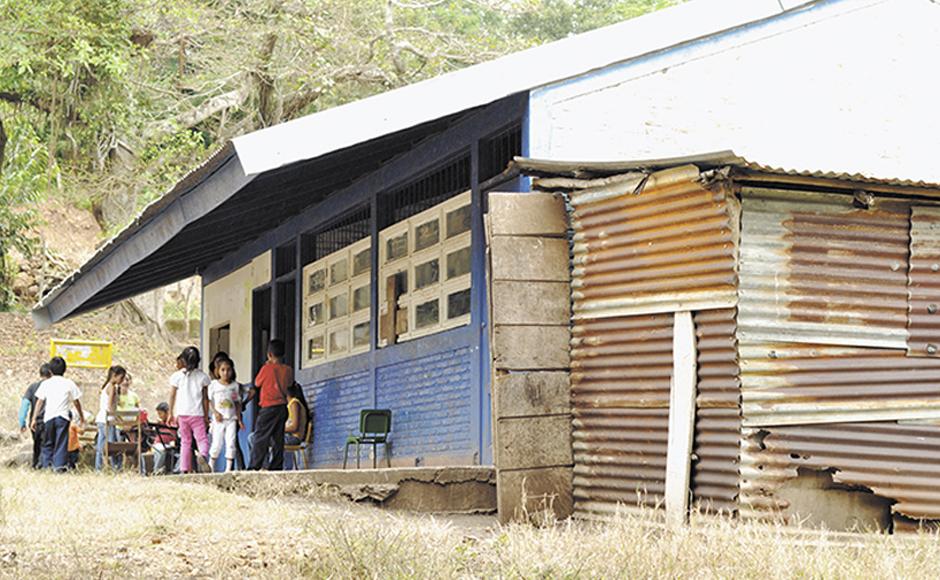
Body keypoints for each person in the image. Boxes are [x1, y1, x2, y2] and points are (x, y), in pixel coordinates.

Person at [31, 357, 84, 471]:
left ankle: (46, 465)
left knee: (48, 442)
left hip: (49, 417)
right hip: (62, 417)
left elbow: (39, 401)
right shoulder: (69, 383)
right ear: (64, 370)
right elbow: (76, 401)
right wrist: (81, 416)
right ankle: (59, 467)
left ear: (50, 370)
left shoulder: (46, 383)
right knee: (61, 443)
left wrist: (34, 418)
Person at [248, 339, 292, 471]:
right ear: (283, 354)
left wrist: (267, 365)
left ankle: (254, 466)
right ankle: (276, 466)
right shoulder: (288, 370)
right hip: (282, 407)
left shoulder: (266, 369)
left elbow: (257, 383)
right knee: (278, 438)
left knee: (260, 436)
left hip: (268, 408)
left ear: (269, 354)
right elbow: (289, 384)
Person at [168, 346, 211, 473]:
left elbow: (172, 395)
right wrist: (206, 416)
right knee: (202, 439)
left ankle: (184, 469)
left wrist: (171, 412)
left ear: (183, 360)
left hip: (182, 414)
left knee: (185, 442)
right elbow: (205, 399)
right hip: (197, 414)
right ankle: (202, 455)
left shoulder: (176, 376)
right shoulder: (203, 377)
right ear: (198, 361)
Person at [208, 357, 243, 472]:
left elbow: (237, 403)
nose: (225, 373)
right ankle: (211, 465)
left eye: (228, 370)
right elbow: (209, 401)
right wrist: (215, 412)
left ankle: (228, 469)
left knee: (231, 442)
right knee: (217, 443)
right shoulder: (214, 385)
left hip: (231, 419)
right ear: (218, 371)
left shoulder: (234, 386)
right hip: (219, 419)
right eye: (222, 370)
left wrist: (239, 419)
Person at [19, 364, 53, 469]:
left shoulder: (33, 387)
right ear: (51, 374)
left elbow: (24, 404)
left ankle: (35, 465)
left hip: (35, 422)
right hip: (49, 420)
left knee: (37, 445)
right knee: (47, 445)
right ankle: (45, 465)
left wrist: (22, 422)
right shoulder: (53, 387)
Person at [95, 365, 126, 471]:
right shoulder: (112, 387)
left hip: (101, 419)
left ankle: (98, 468)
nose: (122, 380)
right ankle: (115, 467)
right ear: (114, 375)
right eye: (121, 378)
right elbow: (110, 407)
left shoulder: (106, 386)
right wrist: (116, 418)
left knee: (101, 445)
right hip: (107, 420)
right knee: (112, 445)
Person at [283, 382, 309, 470]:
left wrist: (279, 429)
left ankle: (267, 467)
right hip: (289, 436)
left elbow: (294, 427)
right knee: (256, 438)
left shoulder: (294, 404)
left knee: (263, 439)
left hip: (294, 438)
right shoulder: (291, 404)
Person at [151, 402, 178, 475]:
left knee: (160, 450)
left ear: (167, 412)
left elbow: (172, 431)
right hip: (159, 443)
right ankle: (157, 470)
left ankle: (156, 470)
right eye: (158, 414)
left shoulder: (173, 420)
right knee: (158, 450)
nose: (159, 416)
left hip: (168, 443)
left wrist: (163, 424)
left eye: (161, 413)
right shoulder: (160, 422)